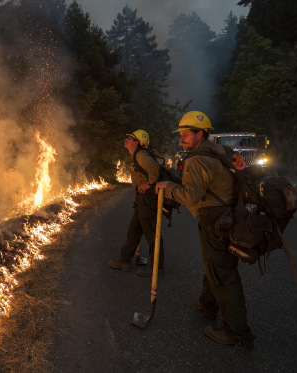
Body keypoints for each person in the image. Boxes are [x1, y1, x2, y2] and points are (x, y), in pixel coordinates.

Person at [156, 111, 256, 351]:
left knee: (222, 271)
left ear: (200, 133)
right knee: (217, 264)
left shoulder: (197, 159)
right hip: (231, 216)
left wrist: (167, 186)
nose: (181, 138)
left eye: (186, 134)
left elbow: (190, 195)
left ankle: (237, 333)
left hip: (214, 219)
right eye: (180, 134)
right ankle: (207, 304)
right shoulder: (220, 152)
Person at [108, 130, 165, 277]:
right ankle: (124, 261)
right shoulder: (136, 155)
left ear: (137, 142)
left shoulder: (141, 155)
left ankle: (157, 267)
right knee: (133, 230)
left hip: (148, 198)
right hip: (142, 199)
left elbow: (155, 169)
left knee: (152, 233)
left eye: (131, 138)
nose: (127, 139)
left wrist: (149, 183)